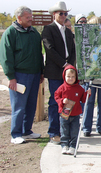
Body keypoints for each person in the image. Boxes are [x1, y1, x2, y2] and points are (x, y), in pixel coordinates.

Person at [0, 6, 44, 144]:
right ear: (19, 18)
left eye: (31, 17)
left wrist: (41, 72)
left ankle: (27, 131)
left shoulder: (34, 33)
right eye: (28, 17)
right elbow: (6, 57)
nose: (31, 19)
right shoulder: (10, 33)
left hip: (35, 74)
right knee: (19, 106)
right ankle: (16, 134)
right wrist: (11, 77)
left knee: (31, 105)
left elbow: (39, 54)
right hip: (19, 76)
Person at [42, 1, 76, 144]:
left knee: (68, 102)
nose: (63, 16)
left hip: (68, 73)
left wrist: (71, 67)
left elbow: (73, 51)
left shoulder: (68, 31)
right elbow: (49, 49)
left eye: (65, 14)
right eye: (60, 13)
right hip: (56, 71)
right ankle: (54, 132)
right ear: (54, 14)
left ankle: (65, 131)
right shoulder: (48, 29)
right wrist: (64, 64)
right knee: (55, 101)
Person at [54, 65, 91, 155]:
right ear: (64, 76)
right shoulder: (62, 88)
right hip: (64, 114)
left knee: (74, 131)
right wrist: (62, 101)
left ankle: (73, 146)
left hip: (75, 114)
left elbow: (83, 99)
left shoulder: (79, 88)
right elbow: (56, 96)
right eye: (68, 77)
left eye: (73, 77)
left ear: (76, 77)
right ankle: (64, 145)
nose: (70, 79)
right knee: (64, 131)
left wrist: (88, 94)